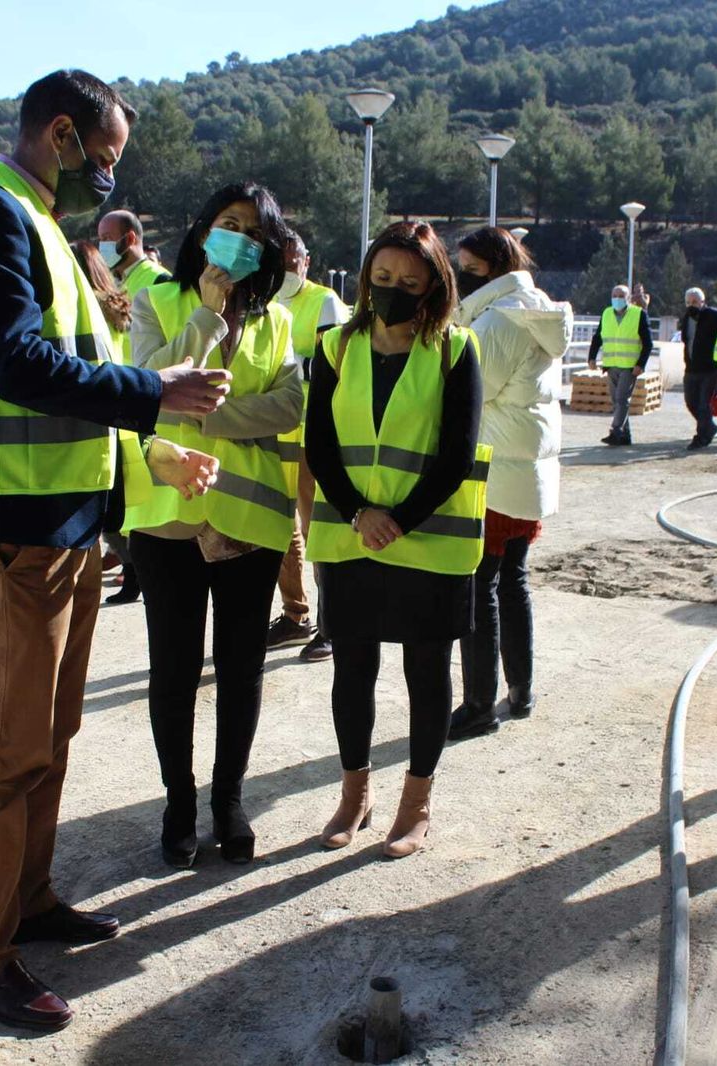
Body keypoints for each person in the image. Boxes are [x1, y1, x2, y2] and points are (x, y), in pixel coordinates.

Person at [0, 69, 231, 1033]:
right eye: (106, 155)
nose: (109, 174)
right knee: (10, 747)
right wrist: (153, 391)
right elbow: (17, 366)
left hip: (66, 523)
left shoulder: (45, 228)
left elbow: (79, 387)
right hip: (14, 526)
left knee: (51, 736)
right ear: (60, 133)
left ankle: (30, 900)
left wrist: (153, 445)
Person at [123, 181, 302, 869]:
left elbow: (289, 404)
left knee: (241, 669)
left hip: (248, 519)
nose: (239, 239)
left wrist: (209, 415)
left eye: (254, 233)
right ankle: (178, 802)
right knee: (173, 670)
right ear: (202, 231)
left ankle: (229, 801)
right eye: (229, 224)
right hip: (168, 518)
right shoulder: (155, 302)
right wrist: (203, 315)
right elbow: (146, 387)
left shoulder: (277, 321)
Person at [306, 221, 487, 859]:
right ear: (365, 280)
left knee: (426, 672)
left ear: (434, 287)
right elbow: (320, 445)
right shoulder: (332, 347)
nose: (393, 290)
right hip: (353, 539)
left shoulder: (456, 349)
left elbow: (457, 452)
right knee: (353, 669)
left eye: (410, 282)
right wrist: (360, 512)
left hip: (430, 542)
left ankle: (417, 803)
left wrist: (399, 519)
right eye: (382, 279)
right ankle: (355, 796)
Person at [447, 228, 570, 741]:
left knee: (479, 591)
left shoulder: (498, 321)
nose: (458, 274)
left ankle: (478, 704)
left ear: (491, 269)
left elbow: (475, 389)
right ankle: (520, 690)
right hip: (525, 473)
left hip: (494, 472)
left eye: (467, 267)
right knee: (511, 583)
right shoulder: (535, 310)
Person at [267, 228, 350, 662]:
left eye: (291, 260)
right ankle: (296, 614)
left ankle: (332, 623)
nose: (285, 268)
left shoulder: (324, 302)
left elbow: (330, 366)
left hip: (312, 434)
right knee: (283, 528)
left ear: (306, 260)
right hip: (274, 431)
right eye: (277, 260)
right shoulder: (267, 299)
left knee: (318, 531)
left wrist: (283, 367)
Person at [74, 240, 142, 605]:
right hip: (125, 406)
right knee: (116, 510)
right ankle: (133, 574)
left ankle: (133, 574)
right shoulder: (118, 305)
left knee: (107, 513)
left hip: (98, 411)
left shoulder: (85, 307)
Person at [586, 283, 654, 446]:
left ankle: (615, 430)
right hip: (611, 364)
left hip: (630, 366)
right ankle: (625, 435)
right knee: (617, 402)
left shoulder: (639, 314)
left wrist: (641, 364)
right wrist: (592, 357)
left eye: (621, 296)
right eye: (614, 295)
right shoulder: (607, 313)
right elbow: (598, 337)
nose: (617, 299)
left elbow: (648, 343)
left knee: (622, 398)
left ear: (628, 298)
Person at [680, 286, 717, 450]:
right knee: (691, 402)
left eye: (695, 302)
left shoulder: (715, 316)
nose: (691, 305)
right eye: (688, 302)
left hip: (710, 368)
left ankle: (701, 437)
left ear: (703, 302)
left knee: (704, 404)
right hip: (691, 368)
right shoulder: (687, 318)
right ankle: (709, 427)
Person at [97, 209, 170, 307]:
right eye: (101, 240)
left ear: (130, 239)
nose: (102, 246)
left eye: (107, 238)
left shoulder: (161, 281)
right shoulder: (106, 283)